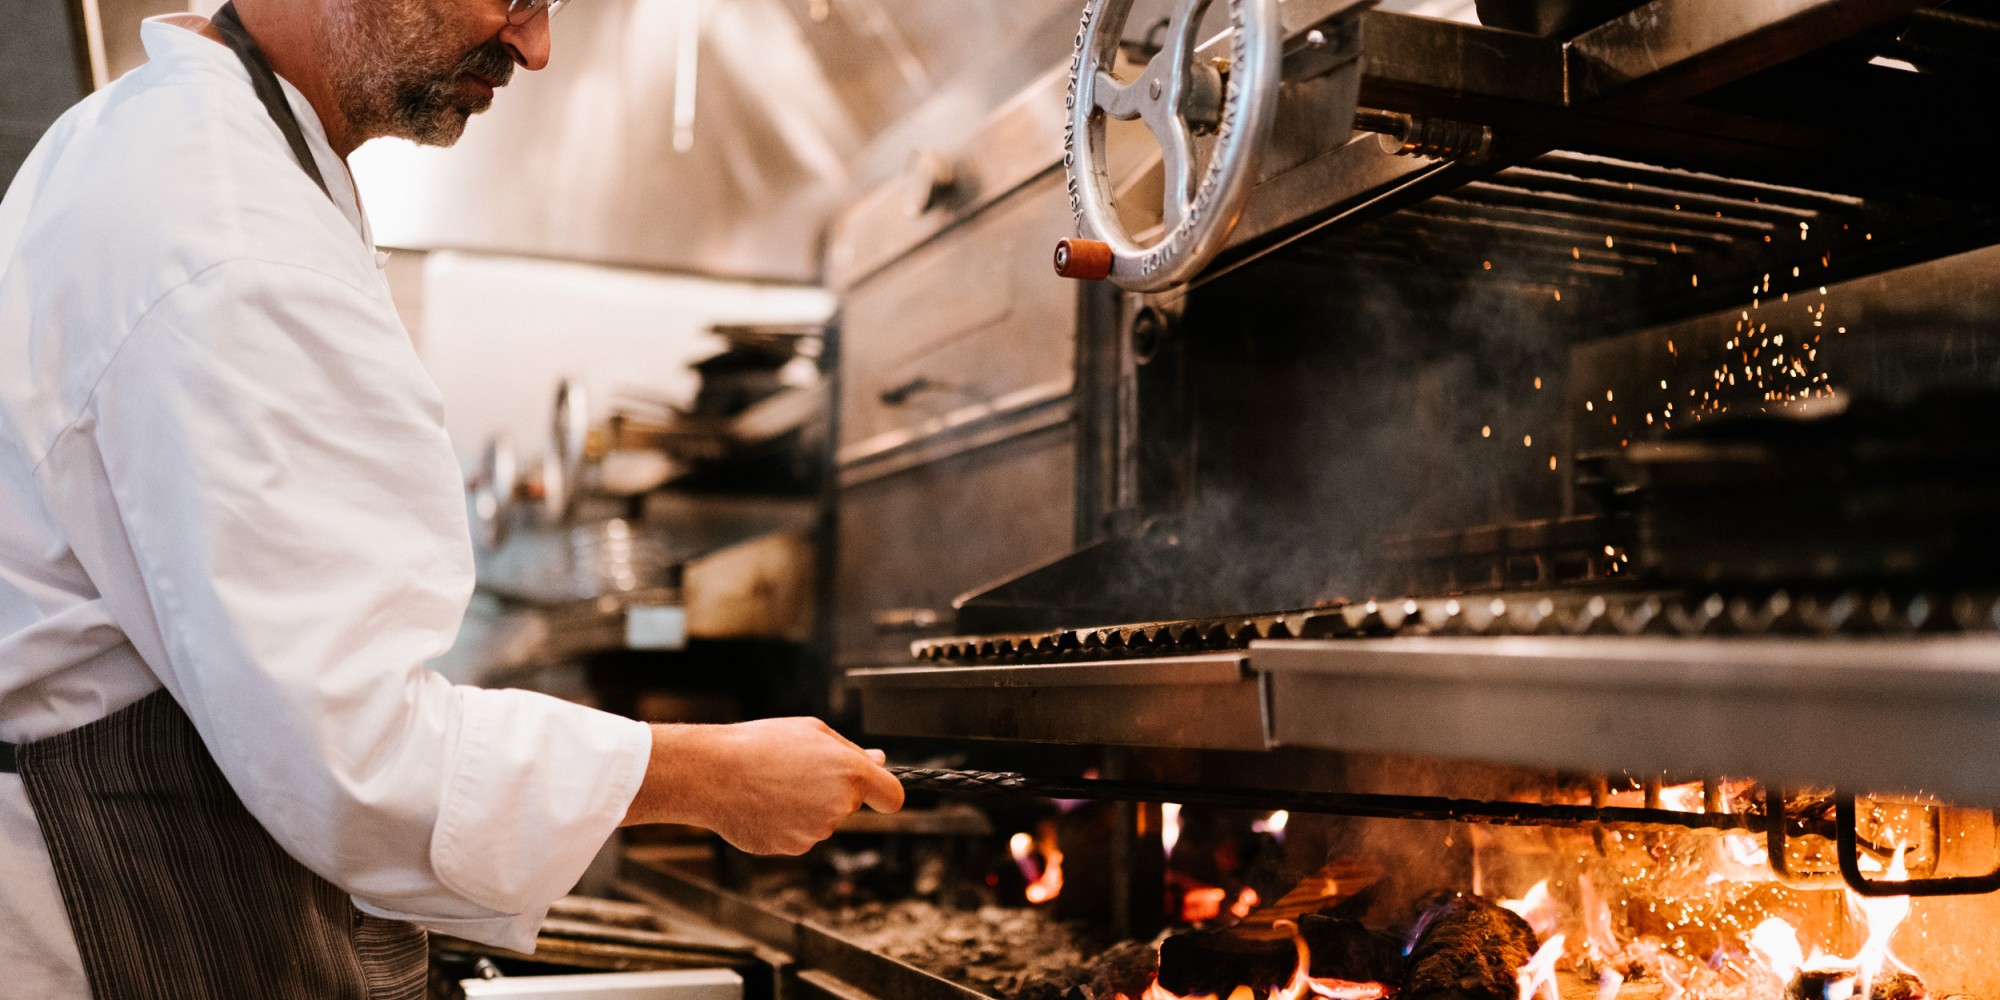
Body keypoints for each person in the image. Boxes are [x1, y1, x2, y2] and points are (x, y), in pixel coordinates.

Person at [0, 0, 904, 995]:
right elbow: (354, 760)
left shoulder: (157, 139)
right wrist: (709, 777)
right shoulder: (231, 239)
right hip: (123, 914)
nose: (535, 47)